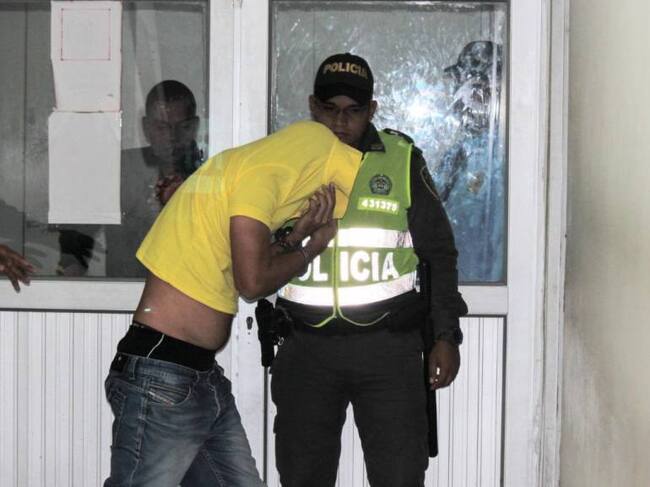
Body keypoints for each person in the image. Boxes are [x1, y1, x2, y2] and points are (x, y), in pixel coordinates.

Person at [103, 120, 363, 487]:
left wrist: (298, 234)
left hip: (197, 375)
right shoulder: (262, 177)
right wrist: (313, 248)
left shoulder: (244, 170)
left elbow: (251, 260)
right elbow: (252, 283)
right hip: (161, 374)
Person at [269, 53, 467, 487]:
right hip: (306, 349)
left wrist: (445, 335)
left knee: (399, 476)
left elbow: (439, 254)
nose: (340, 122)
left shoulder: (401, 159)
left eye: (354, 111)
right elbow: (256, 249)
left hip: (387, 349)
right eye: (329, 109)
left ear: (372, 110)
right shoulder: (282, 161)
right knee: (302, 477)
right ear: (313, 107)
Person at [57, 80, 204, 277]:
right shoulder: (120, 170)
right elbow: (77, 235)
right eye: (161, 127)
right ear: (146, 128)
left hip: (191, 292)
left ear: (194, 126)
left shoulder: (212, 175)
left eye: (182, 127)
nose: (172, 136)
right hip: (124, 292)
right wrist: (71, 277)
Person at [435, 41, 505, 282]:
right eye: (460, 86)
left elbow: (503, 245)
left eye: (472, 89)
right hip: (451, 288)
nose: (461, 100)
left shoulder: (499, 161)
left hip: (483, 293)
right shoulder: (458, 153)